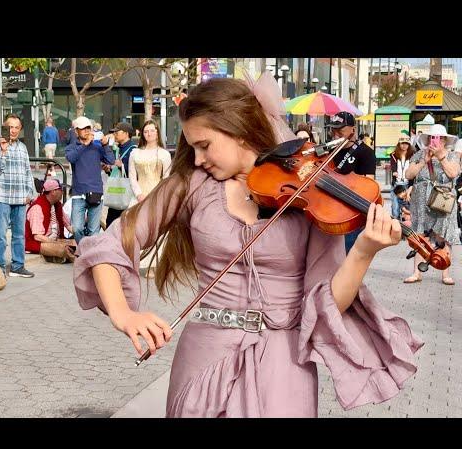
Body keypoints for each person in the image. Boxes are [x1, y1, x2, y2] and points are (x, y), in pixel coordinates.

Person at [73, 73, 422, 418]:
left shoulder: (310, 190)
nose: (197, 159)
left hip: (282, 366)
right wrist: (123, 313)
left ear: (238, 130)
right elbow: (110, 245)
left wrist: (362, 252)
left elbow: (327, 302)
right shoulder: (190, 185)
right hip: (204, 357)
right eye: (192, 147)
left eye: (204, 145)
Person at [403, 124, 460, 285]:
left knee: (443, 236)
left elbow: (453, 173)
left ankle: (445, 273)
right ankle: (416, 273)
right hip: (421, 201)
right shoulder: (420, 154)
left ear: (444, 140)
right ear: (428, 139)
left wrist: (441, 157)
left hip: (443, 201)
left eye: (439, 138)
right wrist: (423, 162)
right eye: (432, 138)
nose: (435, 141)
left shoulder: (453, 156)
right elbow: (408, 174)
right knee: (420, 235)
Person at [0, 114, 35, 278]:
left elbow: (28, 171)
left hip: (21, 197)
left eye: (16, 127)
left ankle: (18, 265)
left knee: (19, 234)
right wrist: (3, 152)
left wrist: (30, 192)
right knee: (1, 234)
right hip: (2, 196)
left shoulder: (22, 147)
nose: (13, 130)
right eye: (10, 127)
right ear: (4, 128)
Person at [328, 111, 377, 253]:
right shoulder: (329, 151)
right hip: (330, 209)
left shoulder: (365, 152)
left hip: (351, 212)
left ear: (353, 129)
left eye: (341, 130)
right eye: (333, 129)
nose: (336, 133)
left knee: (347, 254)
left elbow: (368, 186)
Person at [128, 119, 172, 277]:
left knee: (156, 231)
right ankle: (135, 262)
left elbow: (166, 178)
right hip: (138, 197)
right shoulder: (135, 153)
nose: (149, 134)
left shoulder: (164, 154)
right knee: (136, 231)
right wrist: (139, 194)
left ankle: (154, 265)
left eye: (152, 131)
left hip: (157, 197)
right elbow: (132, 177)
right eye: (146, 131)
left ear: (157, 132)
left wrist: (159, 196)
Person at [66, 116, 115, 244]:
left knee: (94, 231)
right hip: (78, 194)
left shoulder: (97, 146)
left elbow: (110, 160)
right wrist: (84, 145)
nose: (87, 131)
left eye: (88, 128)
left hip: (96, 192)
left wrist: (105, 145)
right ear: (76, 131)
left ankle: (88, 257)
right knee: (76, 228)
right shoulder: (72, 146)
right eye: (83, 129)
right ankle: (84, 251)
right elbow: (71, 158)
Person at [25, 179, 75, 263]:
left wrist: (81, 236)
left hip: (55, 239)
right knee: (63, 249)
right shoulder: (37, 207)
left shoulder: (57, 205)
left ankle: (60, 256)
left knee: (78, 243)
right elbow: (37, 236)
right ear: (53, 192)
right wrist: (56, 243)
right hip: (38, 242)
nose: (62, 192)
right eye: (60, 190)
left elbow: (68, 225)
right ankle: (69, 258)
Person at [105, 122, 137, 228]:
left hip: (127, 195)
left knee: (126, 226)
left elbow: (135, 173)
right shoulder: (116, 149)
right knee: (110, 224)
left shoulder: (133, 149)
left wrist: (121, 166)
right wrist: (108, 169)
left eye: (117, 132)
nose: (115, 135)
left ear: (126, 133)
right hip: (115, 195)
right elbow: (114, 171)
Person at [389, 135, 415, 220]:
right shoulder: (394, 155)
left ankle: (405, 226)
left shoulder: (413, 155)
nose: (404, 146)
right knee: (395, 207)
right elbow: (393, 165)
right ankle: (395, 224)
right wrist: (394, 172)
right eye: (402, 143)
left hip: (408, 184)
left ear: (409, 145)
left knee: (407, 206)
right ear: (399, 144)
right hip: (397, 184)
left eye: (406, 144)